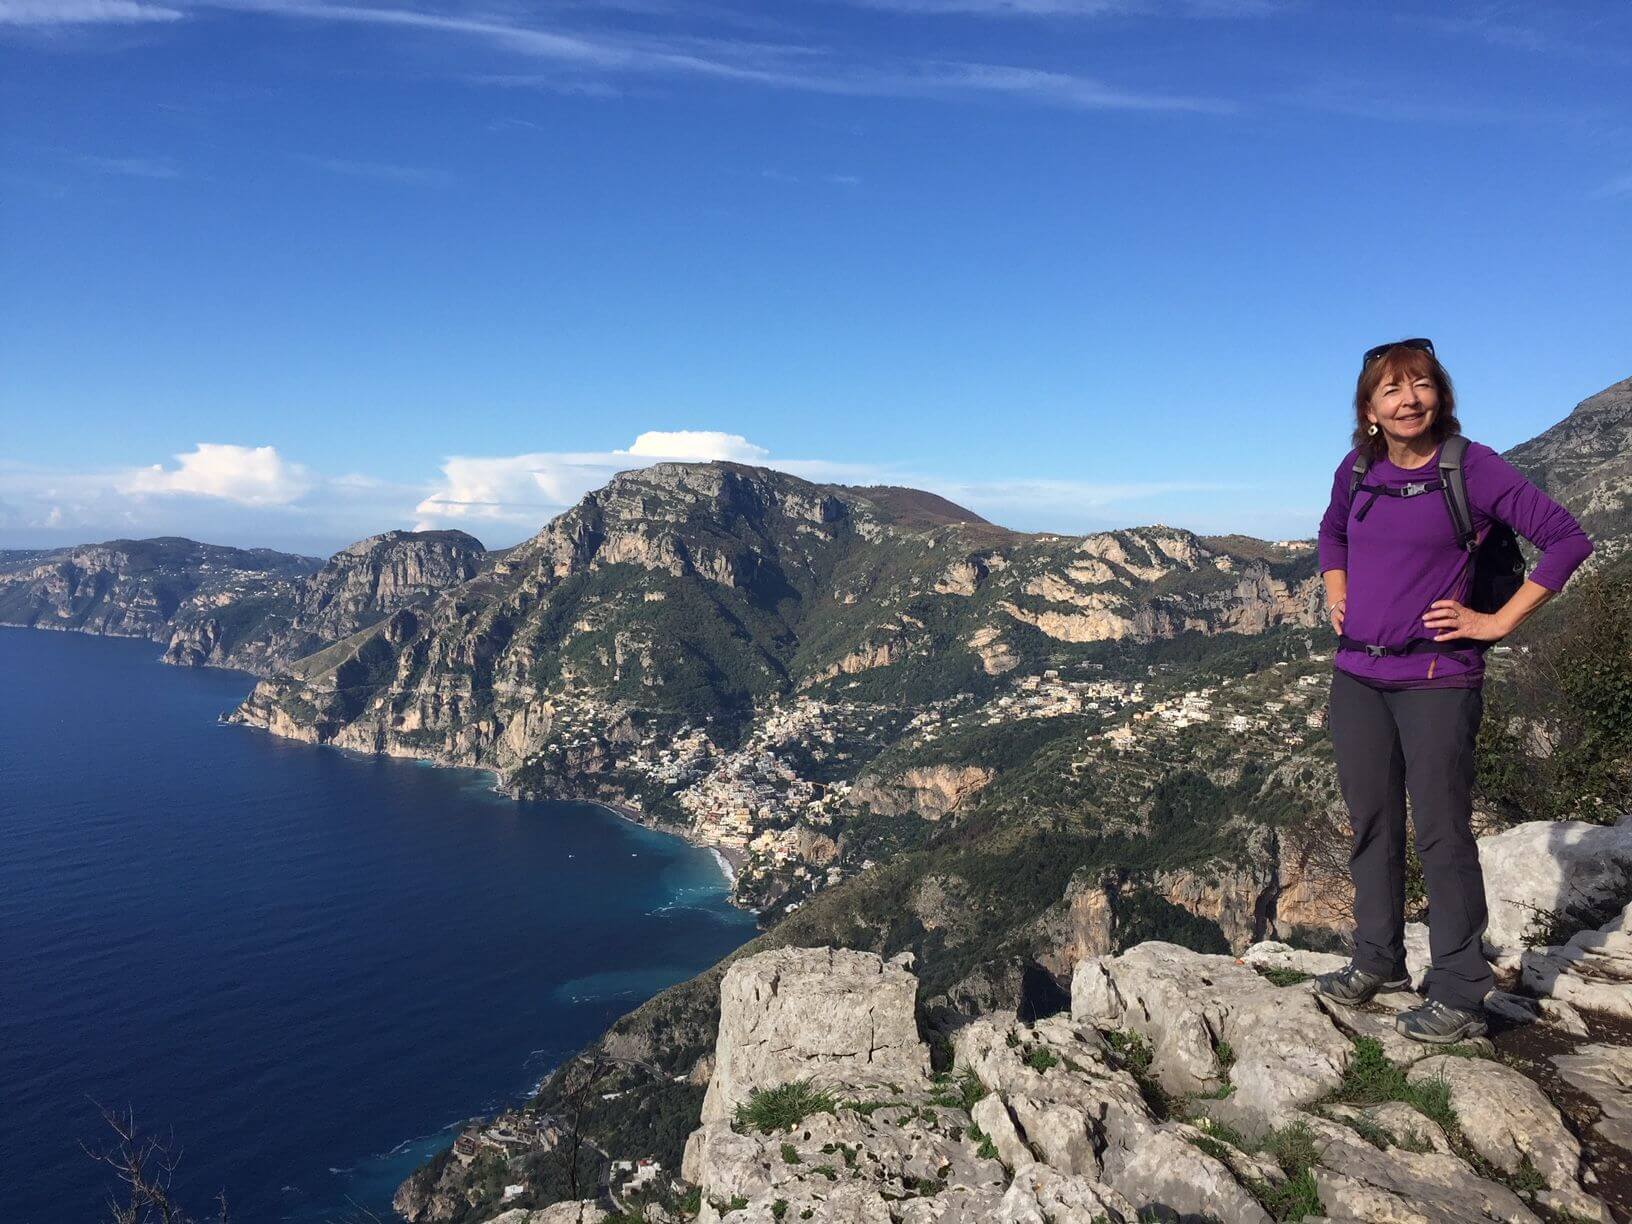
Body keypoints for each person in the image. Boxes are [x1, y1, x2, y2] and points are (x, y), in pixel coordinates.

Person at [1311, 338, 1593, 1043]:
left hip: (1438, 679)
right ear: (1369, 409)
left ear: (1440, 394)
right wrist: (1335, 589)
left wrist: (1494, 621)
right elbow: (1331, 534)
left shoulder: (1473, 468)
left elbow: (1567, 539)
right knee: (1372, 823)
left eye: (1422, 385)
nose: (1409, 400)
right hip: (1358, 676)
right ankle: (1376, 958)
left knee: (1441, 833)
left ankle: (1463, 991)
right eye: (1392, 390)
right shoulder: (1358, 469)